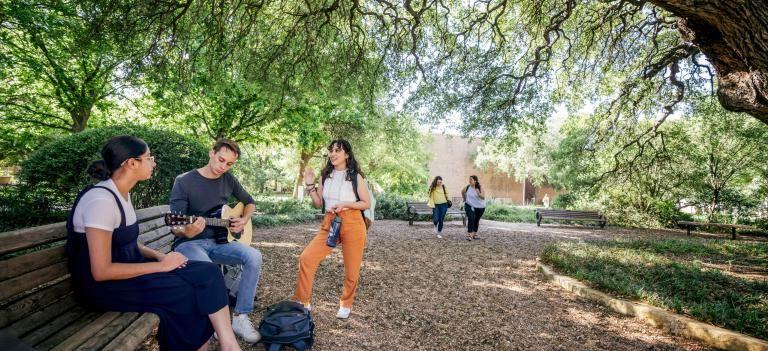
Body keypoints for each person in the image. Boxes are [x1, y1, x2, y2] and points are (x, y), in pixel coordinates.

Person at [66, 135, 241, 351]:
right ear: (132, 163)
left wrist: (159, 256)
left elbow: (126, 243)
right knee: (187, 292)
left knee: (208, 272)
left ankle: (229, 344)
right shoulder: (100, 201)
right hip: (104, 287)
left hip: (130, 272)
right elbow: (101, 271)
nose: (154, 162)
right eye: (149, 157)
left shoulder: (121, 194)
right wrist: (161, 266)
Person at [169, 138, 263, 343]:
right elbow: (175, 226)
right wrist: (187, 231)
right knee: (209, 271)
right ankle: (213, 322)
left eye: (229, 164)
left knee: (254, 256)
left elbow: (249, 202)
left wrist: (243, 220)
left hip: (220, 242)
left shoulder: (228, 180)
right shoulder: (184, 181)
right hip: (189, 244)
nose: (223, 167)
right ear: (212, 153)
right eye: (221, 160)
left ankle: (240, 317)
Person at [294, 139, 371, 319]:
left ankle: (346, 303)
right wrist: (310, 185)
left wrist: (345, 204)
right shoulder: (325, 175)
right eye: (331, 150)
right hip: (330, 222)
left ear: (347, 155)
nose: (333, 154)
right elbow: (318, 203)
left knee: (351, 270)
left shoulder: (355, 176)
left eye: (338, 150)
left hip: (352, 222)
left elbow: (365, 203)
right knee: (307, 258)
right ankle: (302, 301)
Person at [461, 175, 486, 240]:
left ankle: (475, 234)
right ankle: (469, 234)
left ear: (475, 181)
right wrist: (464, 198)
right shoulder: (468, 187)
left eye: (471, 179)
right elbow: (462, 191)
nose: (469, 180)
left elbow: (483, 197)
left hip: (480, 207)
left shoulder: (480, 187)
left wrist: (478, 193)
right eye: (469, 179)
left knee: (476, 219)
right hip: (469, 205)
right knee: (471, 218)